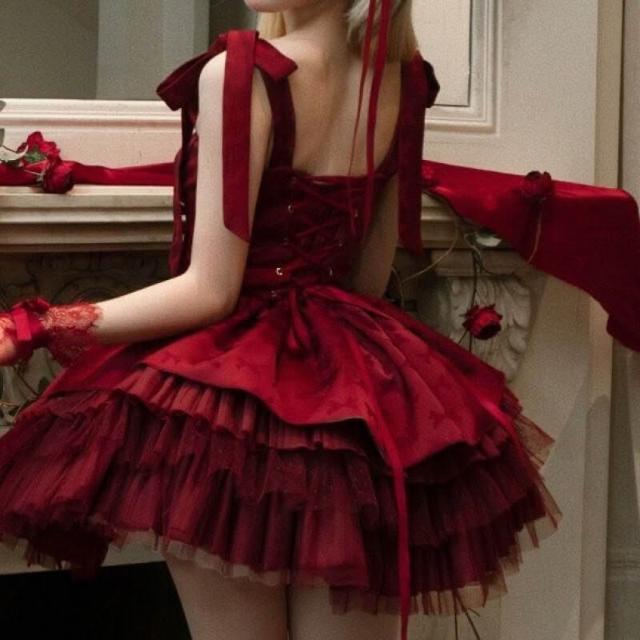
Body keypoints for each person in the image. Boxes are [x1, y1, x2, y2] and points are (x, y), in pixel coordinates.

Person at [0, 1, 562, 639]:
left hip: (230, 399)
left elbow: (210, 292)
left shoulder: (243, 72)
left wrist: (37, 326)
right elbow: (368, 277)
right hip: (355, 393)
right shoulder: (402, 80)